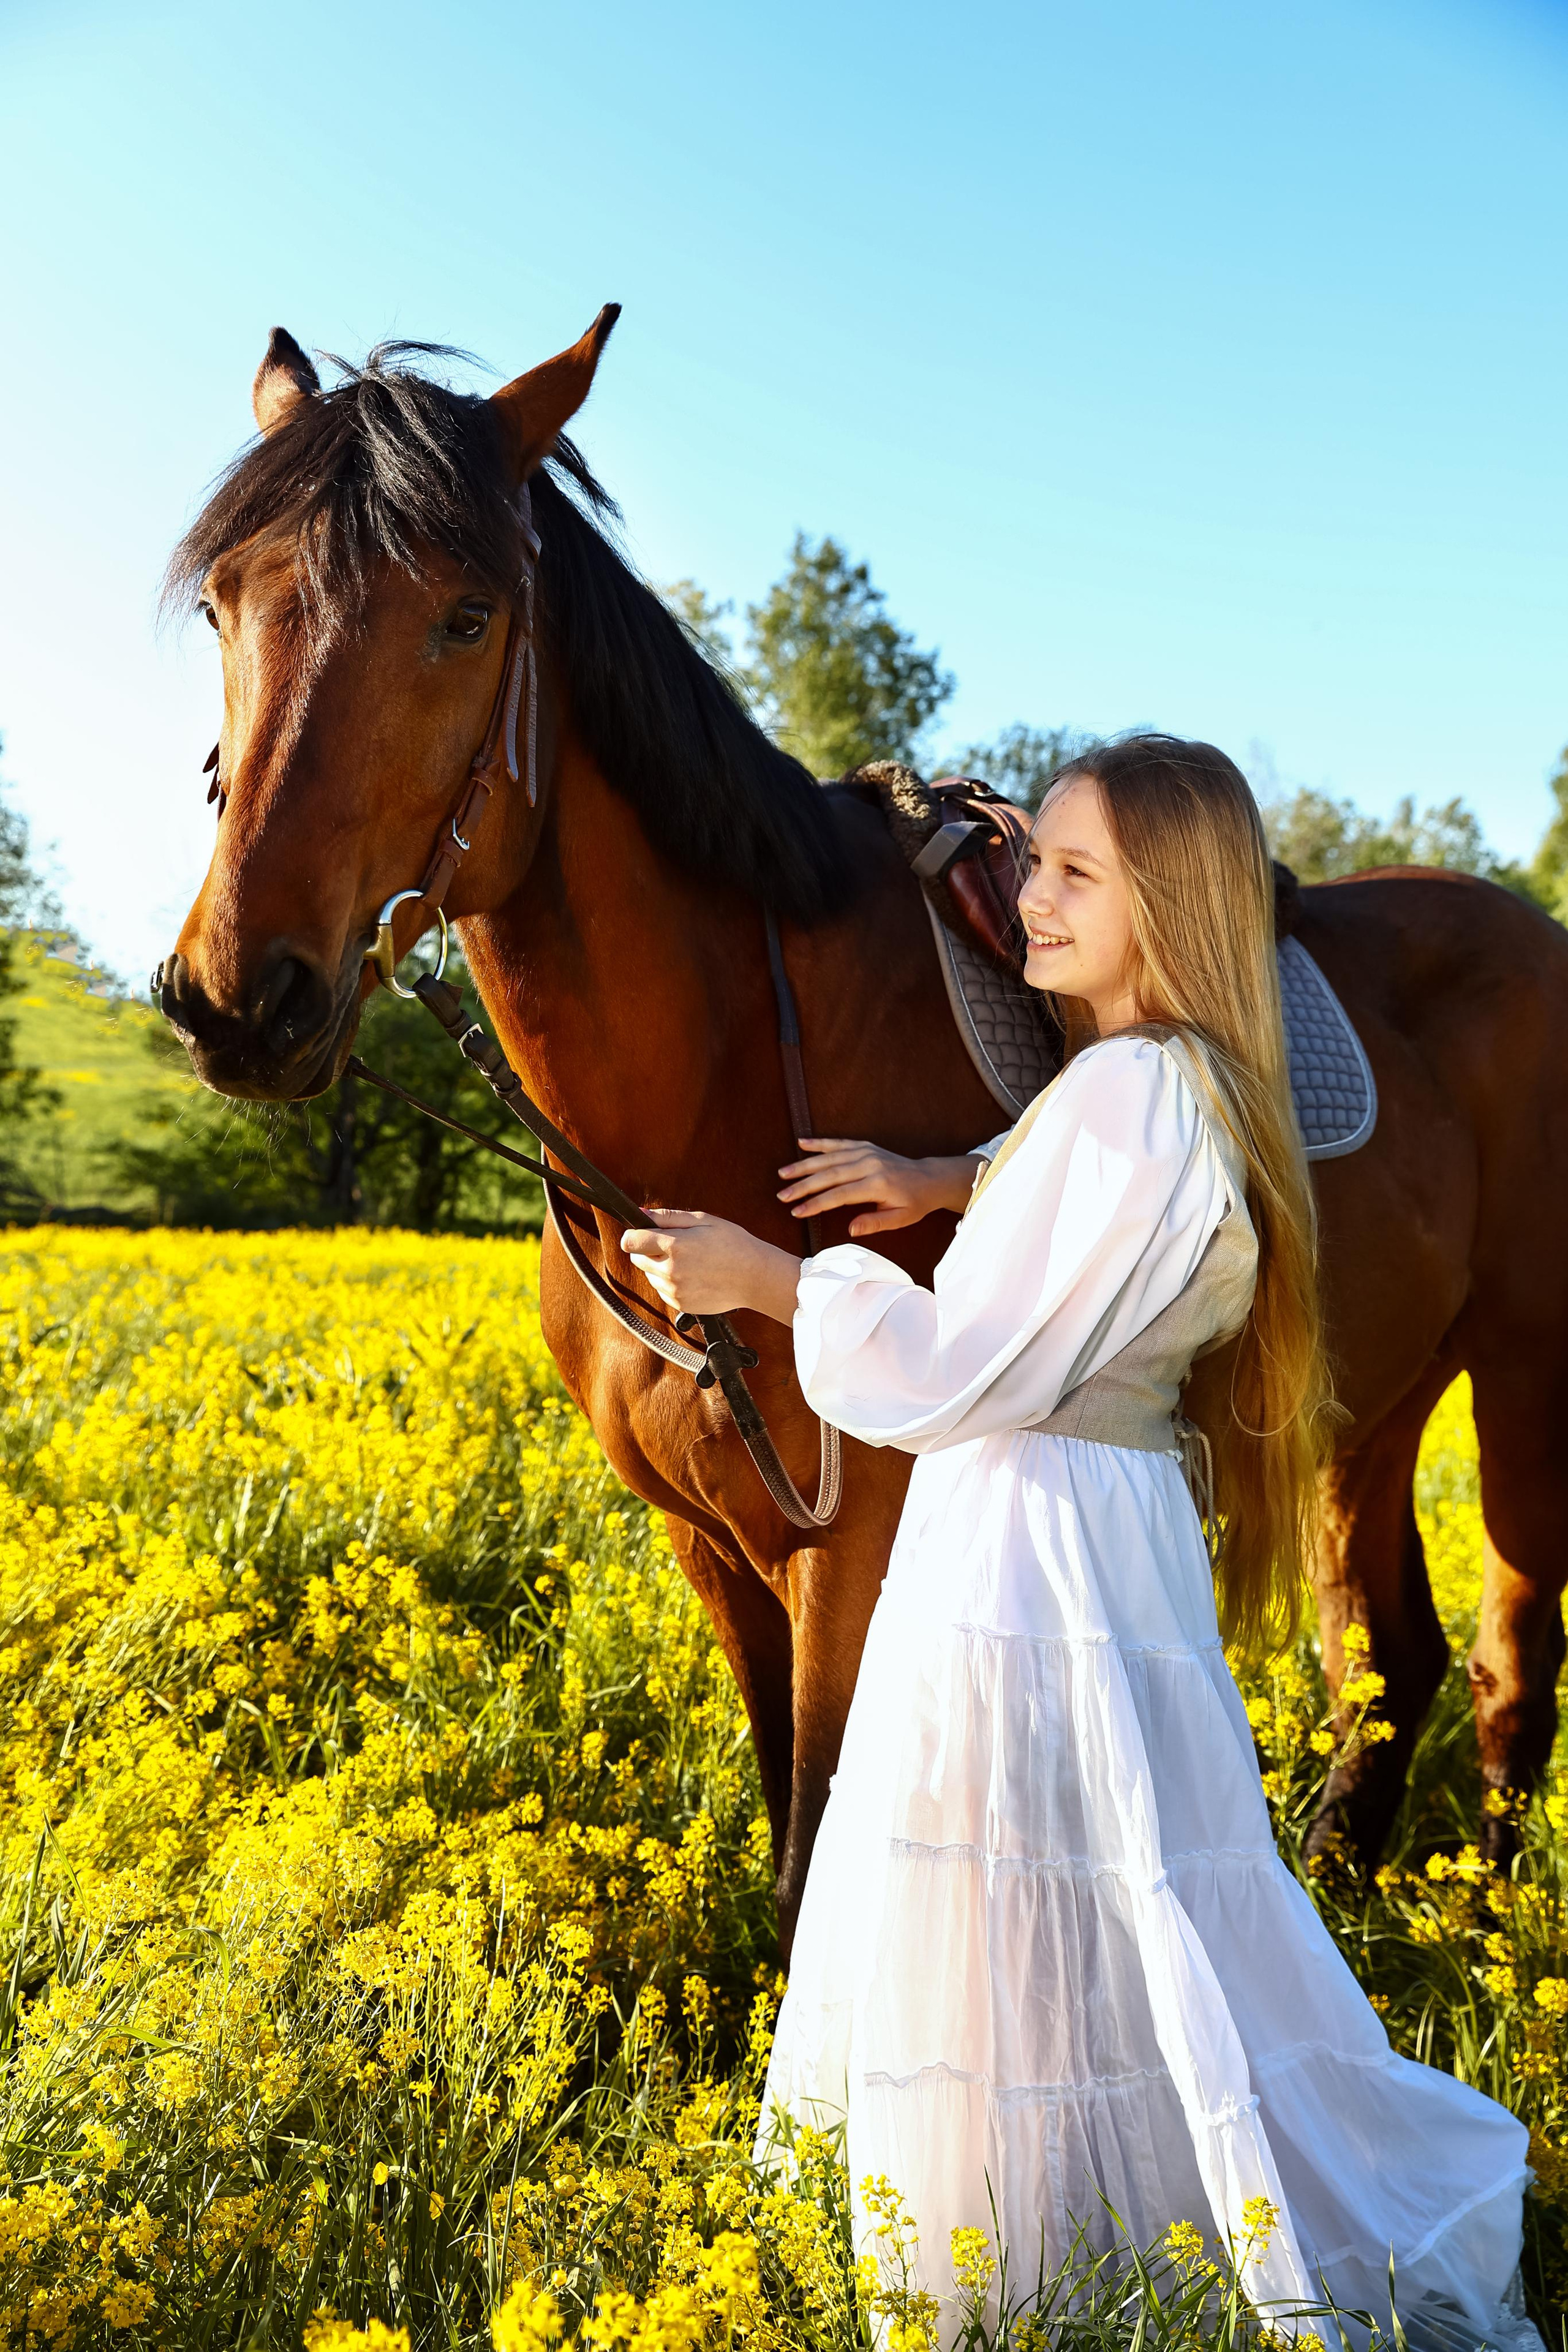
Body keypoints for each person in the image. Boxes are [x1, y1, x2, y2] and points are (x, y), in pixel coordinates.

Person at [621, 736, 1541, 2350]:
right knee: (1100, 1875)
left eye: (1070, 874)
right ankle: (1067, 2211)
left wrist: (763, 1279)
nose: (1023, 894)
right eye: (1034, 860)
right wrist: (939, 1175)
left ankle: (1007, 2241)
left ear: (1164, 904)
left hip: (1021, 1536)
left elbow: (957, 1376)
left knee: (1012, 1877)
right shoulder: (1182, 1083)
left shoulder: (1123, 1094)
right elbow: (1081, 1197)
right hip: (1097, 1528)